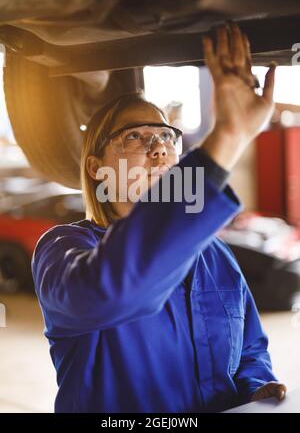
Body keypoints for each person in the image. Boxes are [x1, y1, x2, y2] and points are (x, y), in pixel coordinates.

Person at [31, 23, 286, 413]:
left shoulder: (213, 254)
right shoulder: (64, 249)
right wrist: (228, 137)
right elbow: (112, 290)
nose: (159, 150)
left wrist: (256, 387)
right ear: (97, 166)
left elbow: (250, 347)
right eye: (135, 137)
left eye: (167, 137)